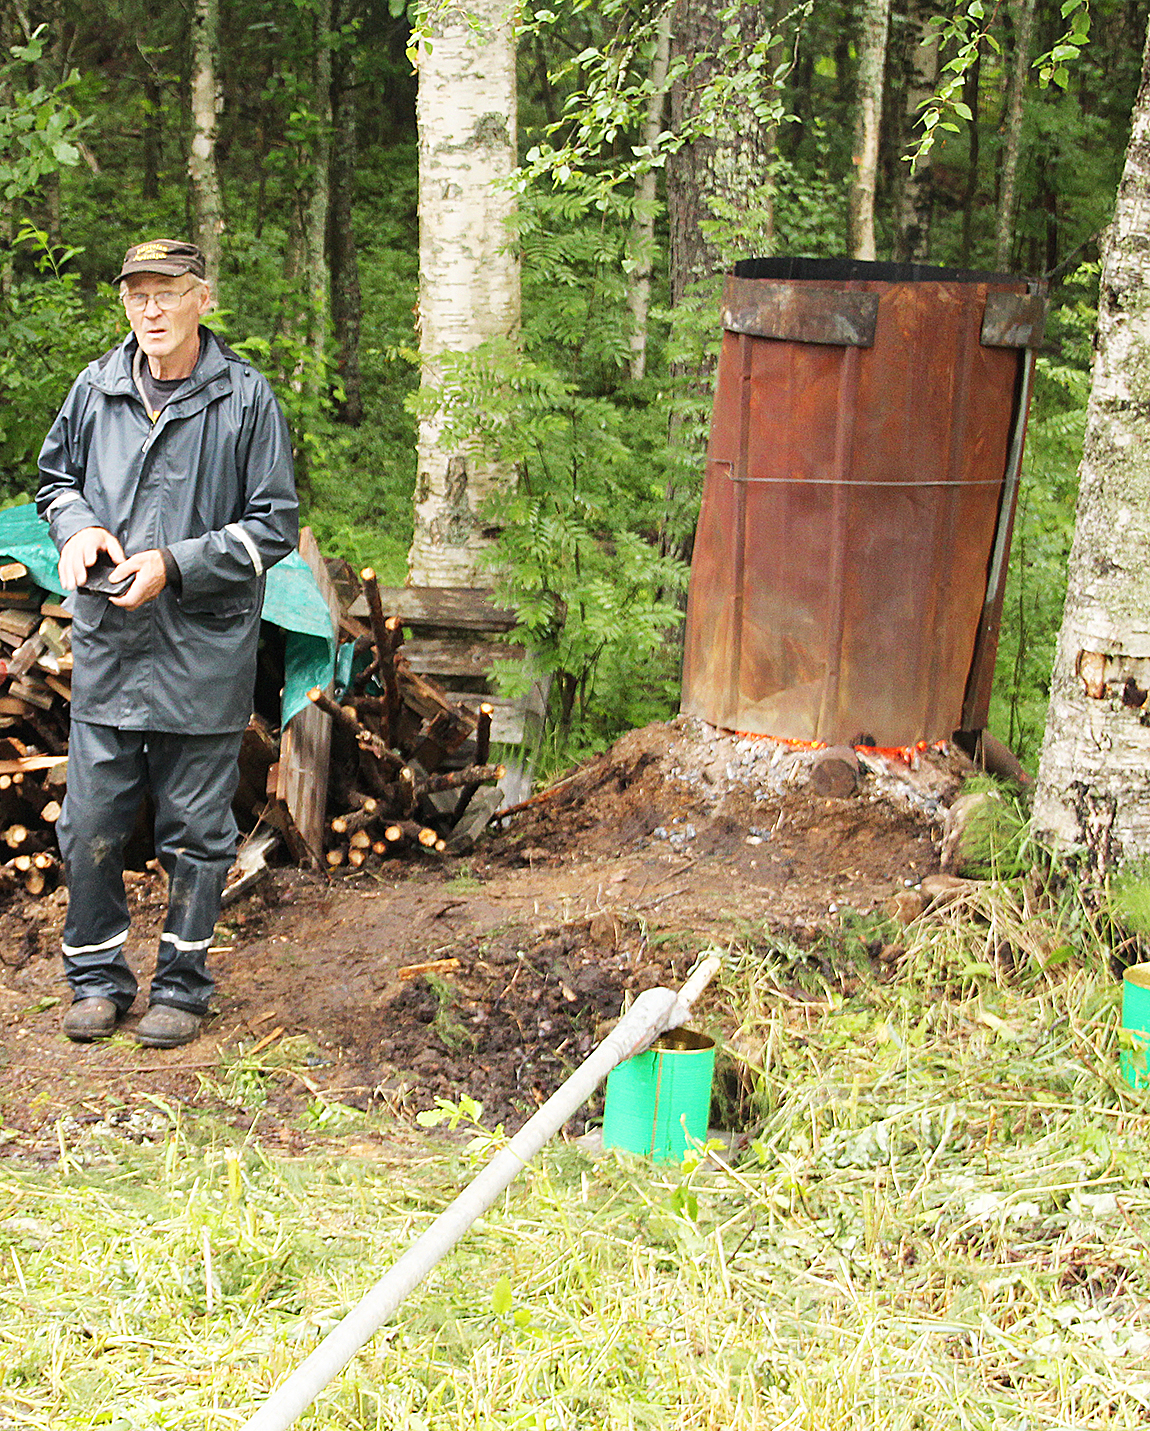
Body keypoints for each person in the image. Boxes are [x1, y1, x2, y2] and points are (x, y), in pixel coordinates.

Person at [36, 238, 299, 1048]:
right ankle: (96, 981)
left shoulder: (247, 401)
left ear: (202, 300)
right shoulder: (96, 388)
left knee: (196, 831)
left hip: (202, 654)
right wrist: (76, 530)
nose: (149, 309)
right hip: (111, 647)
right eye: (136, 295)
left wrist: (176, 565)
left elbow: (274, 526)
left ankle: (182, 986)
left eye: (166, 293)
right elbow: (55, 482)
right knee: (90, 825)